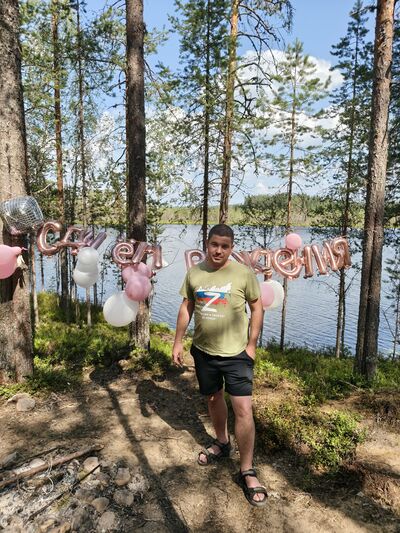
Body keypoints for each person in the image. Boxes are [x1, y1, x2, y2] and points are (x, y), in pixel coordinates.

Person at [172, 224, 267, 507]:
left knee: (243, 409)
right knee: (213, 398)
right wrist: (177, 341)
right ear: (207, 244)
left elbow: (257, 307)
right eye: (215, 244)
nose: (219, 250)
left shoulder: (243, 274)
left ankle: (247, 469)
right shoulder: (195, 273)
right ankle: (222, 442)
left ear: (231, 248)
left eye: (225, 246)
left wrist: (252, 344)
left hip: (237, 354)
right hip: (204, 352)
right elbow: (187, 307)